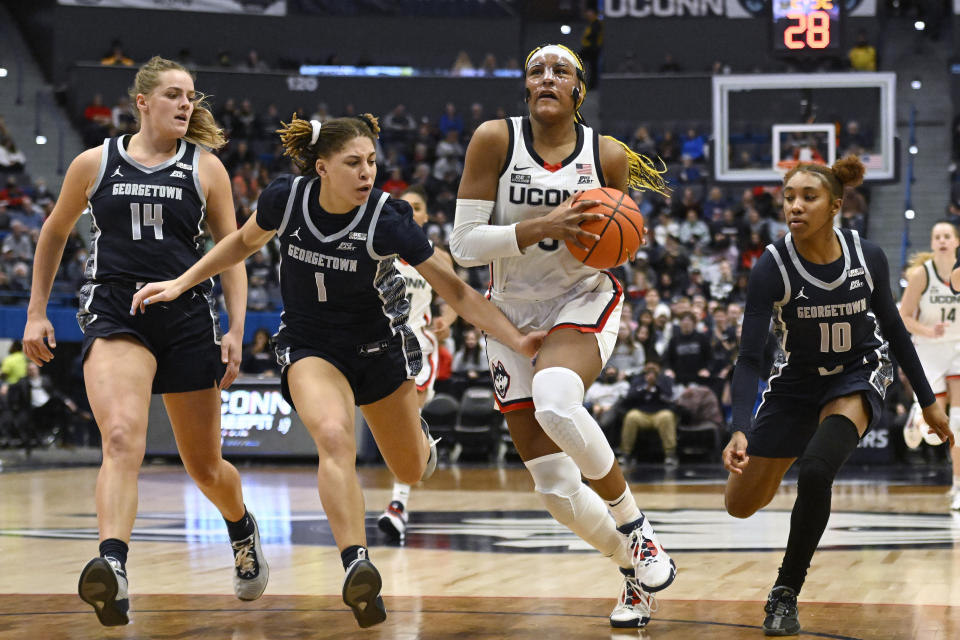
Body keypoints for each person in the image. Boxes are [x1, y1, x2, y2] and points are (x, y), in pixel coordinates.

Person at [130, 113, 542, 628]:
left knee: (411, 469)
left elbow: (455, 290)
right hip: (310, 345)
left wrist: (518, 338)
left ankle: (420, 441)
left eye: (371, 161)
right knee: (332, 435)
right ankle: (357, 563)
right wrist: (180, 283)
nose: (367, 171)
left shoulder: (388, 219)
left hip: (375, 348)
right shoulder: (287, 198)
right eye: (353, 162)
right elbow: (239, 243)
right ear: (322, 167)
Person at [23, 56, 268, 627]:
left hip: (185, 314)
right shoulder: (95, 162)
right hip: (116, 309)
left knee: (204, 467)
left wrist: (235, 328)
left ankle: (240, 526)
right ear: (143, 102)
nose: (187, 104)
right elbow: (55, 230)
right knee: (122, 437)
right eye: (175, 95)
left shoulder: (205, 169)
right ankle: (112, 564)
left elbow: (232, 254)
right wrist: (37, 311)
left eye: (191, 96)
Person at [450, 43, 675, 629]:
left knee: (555, 396)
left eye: (561, 71)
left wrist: (611, 236)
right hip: (509, 312)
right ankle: (630, 567)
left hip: (581, 299)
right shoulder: (494, 139)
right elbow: (464, 246)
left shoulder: (607, 155)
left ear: (580, 88)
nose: (547, 77)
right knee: (553, 487)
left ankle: (635, 525)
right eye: (535, 70)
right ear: (525, 86)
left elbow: (620, 240)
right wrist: (539, 228)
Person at [722, 155, 952, 636]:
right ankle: (784, 449)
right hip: (797, 382)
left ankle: (784, 592)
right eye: (789, 198)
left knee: (818, 469)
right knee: (740, 504)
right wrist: (740, 425)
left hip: (858, 372)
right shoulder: (772, 265)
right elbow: (749, 357)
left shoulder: (867, 255)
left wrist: (927, 400)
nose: (795, 207)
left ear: (835, 206)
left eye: (809, 197)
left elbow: (894, 329)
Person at [377, 185, 459, 542]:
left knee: (406, 426)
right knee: (399, 432)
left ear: (426, 216)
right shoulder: (379, 250)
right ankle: (418, 452)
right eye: (404, 205)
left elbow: (455, 298)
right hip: (382, 348)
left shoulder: (438, 257)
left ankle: (397, 505)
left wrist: (448, 321)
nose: (411, 210)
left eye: (418, 206)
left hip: (421, 350)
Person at [900, 221, 960, 510]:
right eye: (937, 236)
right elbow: (905, 317)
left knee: (959, 423)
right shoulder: (921, 276)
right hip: (928, 350)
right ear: (932, 243)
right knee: (933, 434)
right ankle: (918, 414)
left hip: (958, 349)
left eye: (947, 236)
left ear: (956, 242)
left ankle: (958, 485)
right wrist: (928, 331)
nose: (943, 240)